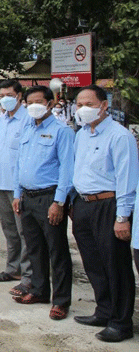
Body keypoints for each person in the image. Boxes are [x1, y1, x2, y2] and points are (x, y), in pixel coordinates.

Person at [70, 85, 137, 343]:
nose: (83, 109)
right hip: (84, 203)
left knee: (115, 265)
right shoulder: (81, 135)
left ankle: (121, 322)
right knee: (93, 262)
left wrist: (122, 217)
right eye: (79, 105)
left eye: (89, 104)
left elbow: (127, 179)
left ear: (104, 105)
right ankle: (104, 310)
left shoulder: (120, 136)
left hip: (109, 205)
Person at [11, 86, 74, 321]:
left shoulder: (62, 131)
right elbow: (20, 164)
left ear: (50, 103)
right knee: (35, 248)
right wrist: (17, 194)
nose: (34, 106)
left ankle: (61, 301)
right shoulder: (27, 129)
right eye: (30, 103)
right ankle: (39, 291)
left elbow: (67, 169)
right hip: (27, 197)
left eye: (39, 102)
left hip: (49, 197)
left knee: (57, 250)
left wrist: (59, 202)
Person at [0, 80, 32, 293]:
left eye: (9, 95)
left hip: (19, 187)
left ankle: (29, 275)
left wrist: (20, 189)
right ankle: (13, 268)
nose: (4, 99)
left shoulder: (29, 120)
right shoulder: (1, 120)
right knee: (9, 230)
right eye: (1, 96)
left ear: (19, 96)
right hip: (0, 182)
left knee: (25, 231)